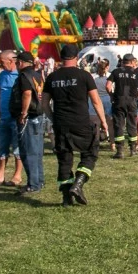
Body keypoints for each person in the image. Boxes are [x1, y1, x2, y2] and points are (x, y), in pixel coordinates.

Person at [42, 44, 108, 207]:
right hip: (81, 122)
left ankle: (66, 198)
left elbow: (44, 103)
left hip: (61, 124)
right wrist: (104, 122)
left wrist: (53, 118)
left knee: (64, 159)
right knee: (90, 152)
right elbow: (95, 101)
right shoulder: (84, 76)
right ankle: (78, 183)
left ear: (61, 58)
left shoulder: (52, 77)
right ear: (76, 58)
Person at [11, 51, 45, 196]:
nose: (17, 64)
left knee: (28, 151)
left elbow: (27, 94)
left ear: (21, 62)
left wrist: (23, 113)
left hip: (29, 117)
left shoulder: (24, 75)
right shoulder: (37, 74)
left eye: (17, 61)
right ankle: (39, 180)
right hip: (38, 115)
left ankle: (33, 184)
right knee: (37, 151)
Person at [0, 52, 23, 187]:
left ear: (11, 60)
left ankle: (17, 175)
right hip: (4, 117)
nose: (0, 64)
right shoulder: (2, 75)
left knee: (17, 148)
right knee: (1, 146)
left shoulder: (20, 75)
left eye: (2, 62)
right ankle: (0, 175)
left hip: (16, 117)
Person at [107, 53, 138, 158]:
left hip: (119, 101)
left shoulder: (116, 71)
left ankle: (120, 151)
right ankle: (133, 150)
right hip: (132, 101)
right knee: (132, 125)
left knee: (118, 125)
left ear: (123, 62)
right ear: (132, 62)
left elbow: (108, 86)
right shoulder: (137, 72)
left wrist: (111, 95)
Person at [89, 59, 114, 152]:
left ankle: (95, 144)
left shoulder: (93, 77)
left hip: (95, 99)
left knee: (96, 124)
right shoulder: (110, 76)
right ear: (107, 67)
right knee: (110, 124)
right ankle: (113, 144)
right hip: (107, 99)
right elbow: (112, 89)